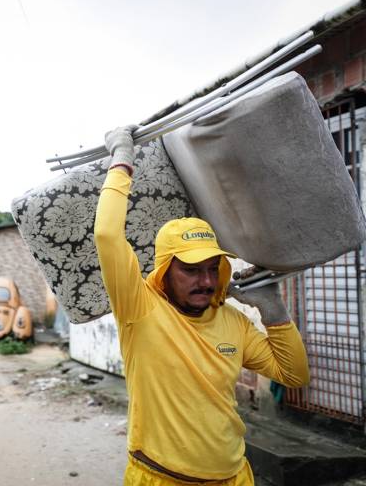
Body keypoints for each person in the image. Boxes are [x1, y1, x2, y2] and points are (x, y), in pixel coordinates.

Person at [96, 126, 310, 485]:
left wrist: (274, 310)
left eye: (213, 269)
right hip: (161, 478)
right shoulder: (140, 309)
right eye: (192, 270)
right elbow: (106, 235)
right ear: (164, 272)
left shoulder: (232, 322)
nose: (207, 281)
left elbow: (294, 376)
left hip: (235, 476)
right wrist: (121, 157)